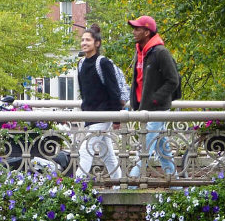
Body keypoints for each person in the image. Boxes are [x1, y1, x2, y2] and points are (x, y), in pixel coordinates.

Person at [127, 15, 180, 177]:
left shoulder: (160, 52)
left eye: (137, 29)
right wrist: (136, 103)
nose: (134, 32)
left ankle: (130, 185)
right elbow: (138, 80)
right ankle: (175, 184)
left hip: (158, 109)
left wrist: (155, 99)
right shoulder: (141, 52)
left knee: (145, 147)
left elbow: (173, 80)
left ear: (147, 31)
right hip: (146, 109)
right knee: (162, 149)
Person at [76, 23, 129, 180]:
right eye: (82, 40)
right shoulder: (81, 64)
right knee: (107, 153)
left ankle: (76, 186)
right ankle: (119, 183)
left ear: (96, 43)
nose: (84, 43)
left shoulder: (103, 62)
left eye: (88, 40)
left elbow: (113, 91)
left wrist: (116, 117)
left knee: (86, 149)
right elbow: (85, 93)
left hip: (103, 113)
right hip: (90, 115)